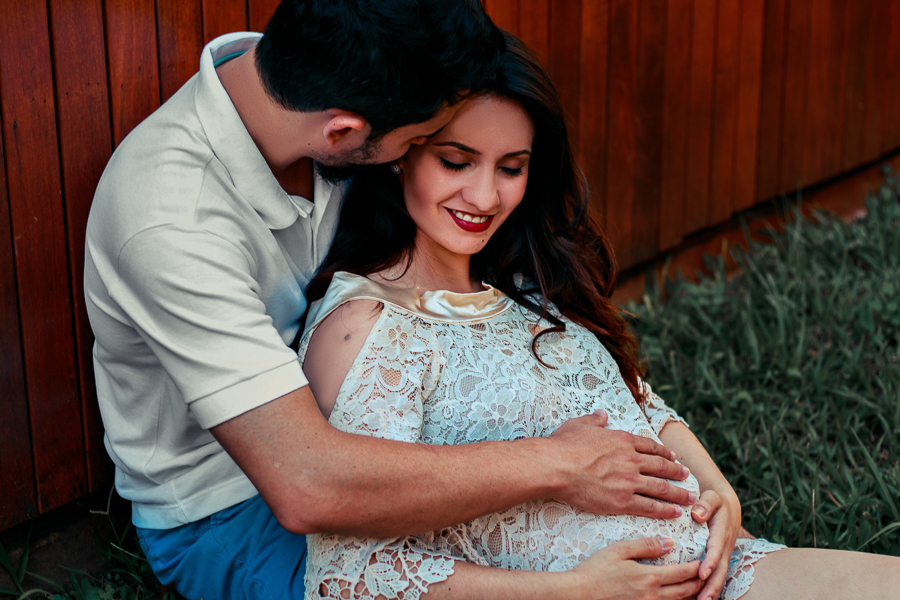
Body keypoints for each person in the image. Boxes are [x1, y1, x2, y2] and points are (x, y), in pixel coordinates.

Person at [84, 3, 698, 599]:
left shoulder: (318, 73)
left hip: (381, 425)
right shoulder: (169, 223)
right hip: (233, 506)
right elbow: (306, 485)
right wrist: (559, 466)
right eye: (429, 144)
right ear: (347, 133)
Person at [298, 32, 900, 600]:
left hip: (727, 571)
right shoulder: (370, 328)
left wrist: (718, 491)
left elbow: (636, 405)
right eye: (457, 162)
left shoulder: (524, 285)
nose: (485, 198)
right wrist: (572, 591)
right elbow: (351, 576)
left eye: (511, 167)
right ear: (403, 153)